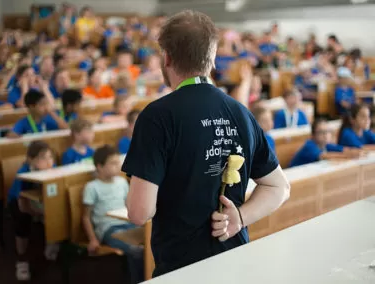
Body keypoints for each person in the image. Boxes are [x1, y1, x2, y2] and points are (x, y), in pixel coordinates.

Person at [122, 10, 290, 277]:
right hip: (235, 261)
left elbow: (140, 213)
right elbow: (279, 186)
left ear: (166, 57)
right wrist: (241, 218)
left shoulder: (157, 116)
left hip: (182, 268)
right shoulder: (240, 112)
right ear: (212, 58)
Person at [82, 145, 144, 283]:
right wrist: (93, 239)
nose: (118, 166)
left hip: (128, 225)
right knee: (136, 251)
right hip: (108, 230)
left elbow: (128, 205)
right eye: (113, 163)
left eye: (118, 162)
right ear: (99, 166)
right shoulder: (92, 187)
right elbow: (86, 216)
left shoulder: (122, 182)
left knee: (151, 243)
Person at [7, 140, 56, 281]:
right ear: (31, 160)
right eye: (43, 158)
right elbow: (22, 205)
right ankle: (22, 261)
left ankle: (52, 244)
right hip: (19, 203)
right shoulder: (23, 174)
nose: (48, 162)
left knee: (56, 211)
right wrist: (40, 214)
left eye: (50, 157)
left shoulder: (53, 169)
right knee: (23, 219)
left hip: (39, 203)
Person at [290, 118, 360, 167]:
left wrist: (356, 152)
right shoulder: (309, 146)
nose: (326, 135)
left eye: (328, 131)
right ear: (313, 135)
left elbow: (344, 149)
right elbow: (324, 156)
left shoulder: (326, 145)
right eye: (321, 132)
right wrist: (349, 155)